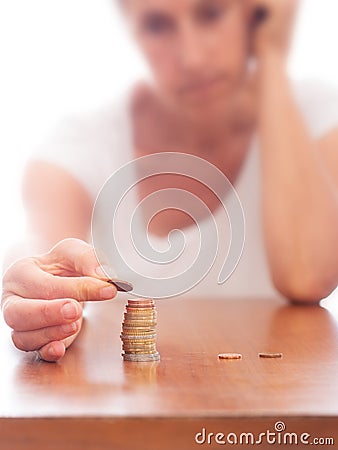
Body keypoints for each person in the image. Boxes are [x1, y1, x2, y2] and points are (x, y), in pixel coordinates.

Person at [2, 0, 338, 362]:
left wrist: (272, 56)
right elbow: (45, 251)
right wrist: (35, 287)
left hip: (274, 408)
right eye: (157, 25)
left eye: (211, 13)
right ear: (129, 29)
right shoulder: (78, 145)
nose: (192, 58)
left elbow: (307, 278)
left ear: (255, 13)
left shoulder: (314, 114)